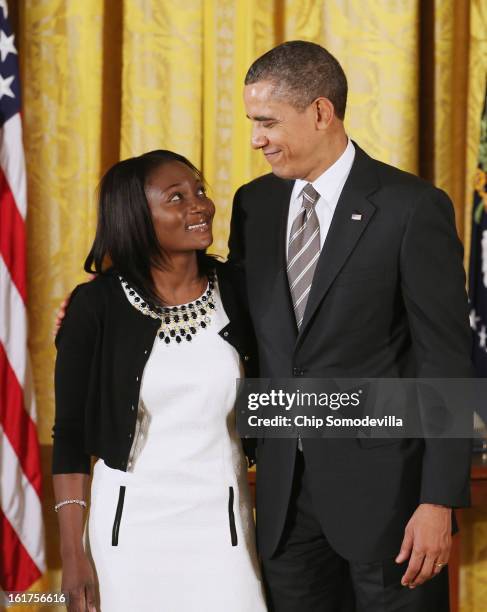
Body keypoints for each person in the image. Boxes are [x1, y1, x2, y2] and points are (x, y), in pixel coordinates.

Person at [228, 41, 473, 611]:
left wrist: (438, 501)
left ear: (320, 111)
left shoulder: (411, 207)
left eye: (267, 122)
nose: (256, 139)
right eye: (252, 123)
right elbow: (235, 318)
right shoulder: (253, 206)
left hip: (392, 508)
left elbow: (444, 360)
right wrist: (116, 302)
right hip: (286, 505)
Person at [52, 150, 267, 612]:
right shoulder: (95, 307)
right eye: (177, 197)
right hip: (129, 534)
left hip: (224, 527)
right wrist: (74, 558)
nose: (201, 205)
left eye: (200, 191)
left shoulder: (242, 290)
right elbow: (68, 437)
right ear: (135, 217)